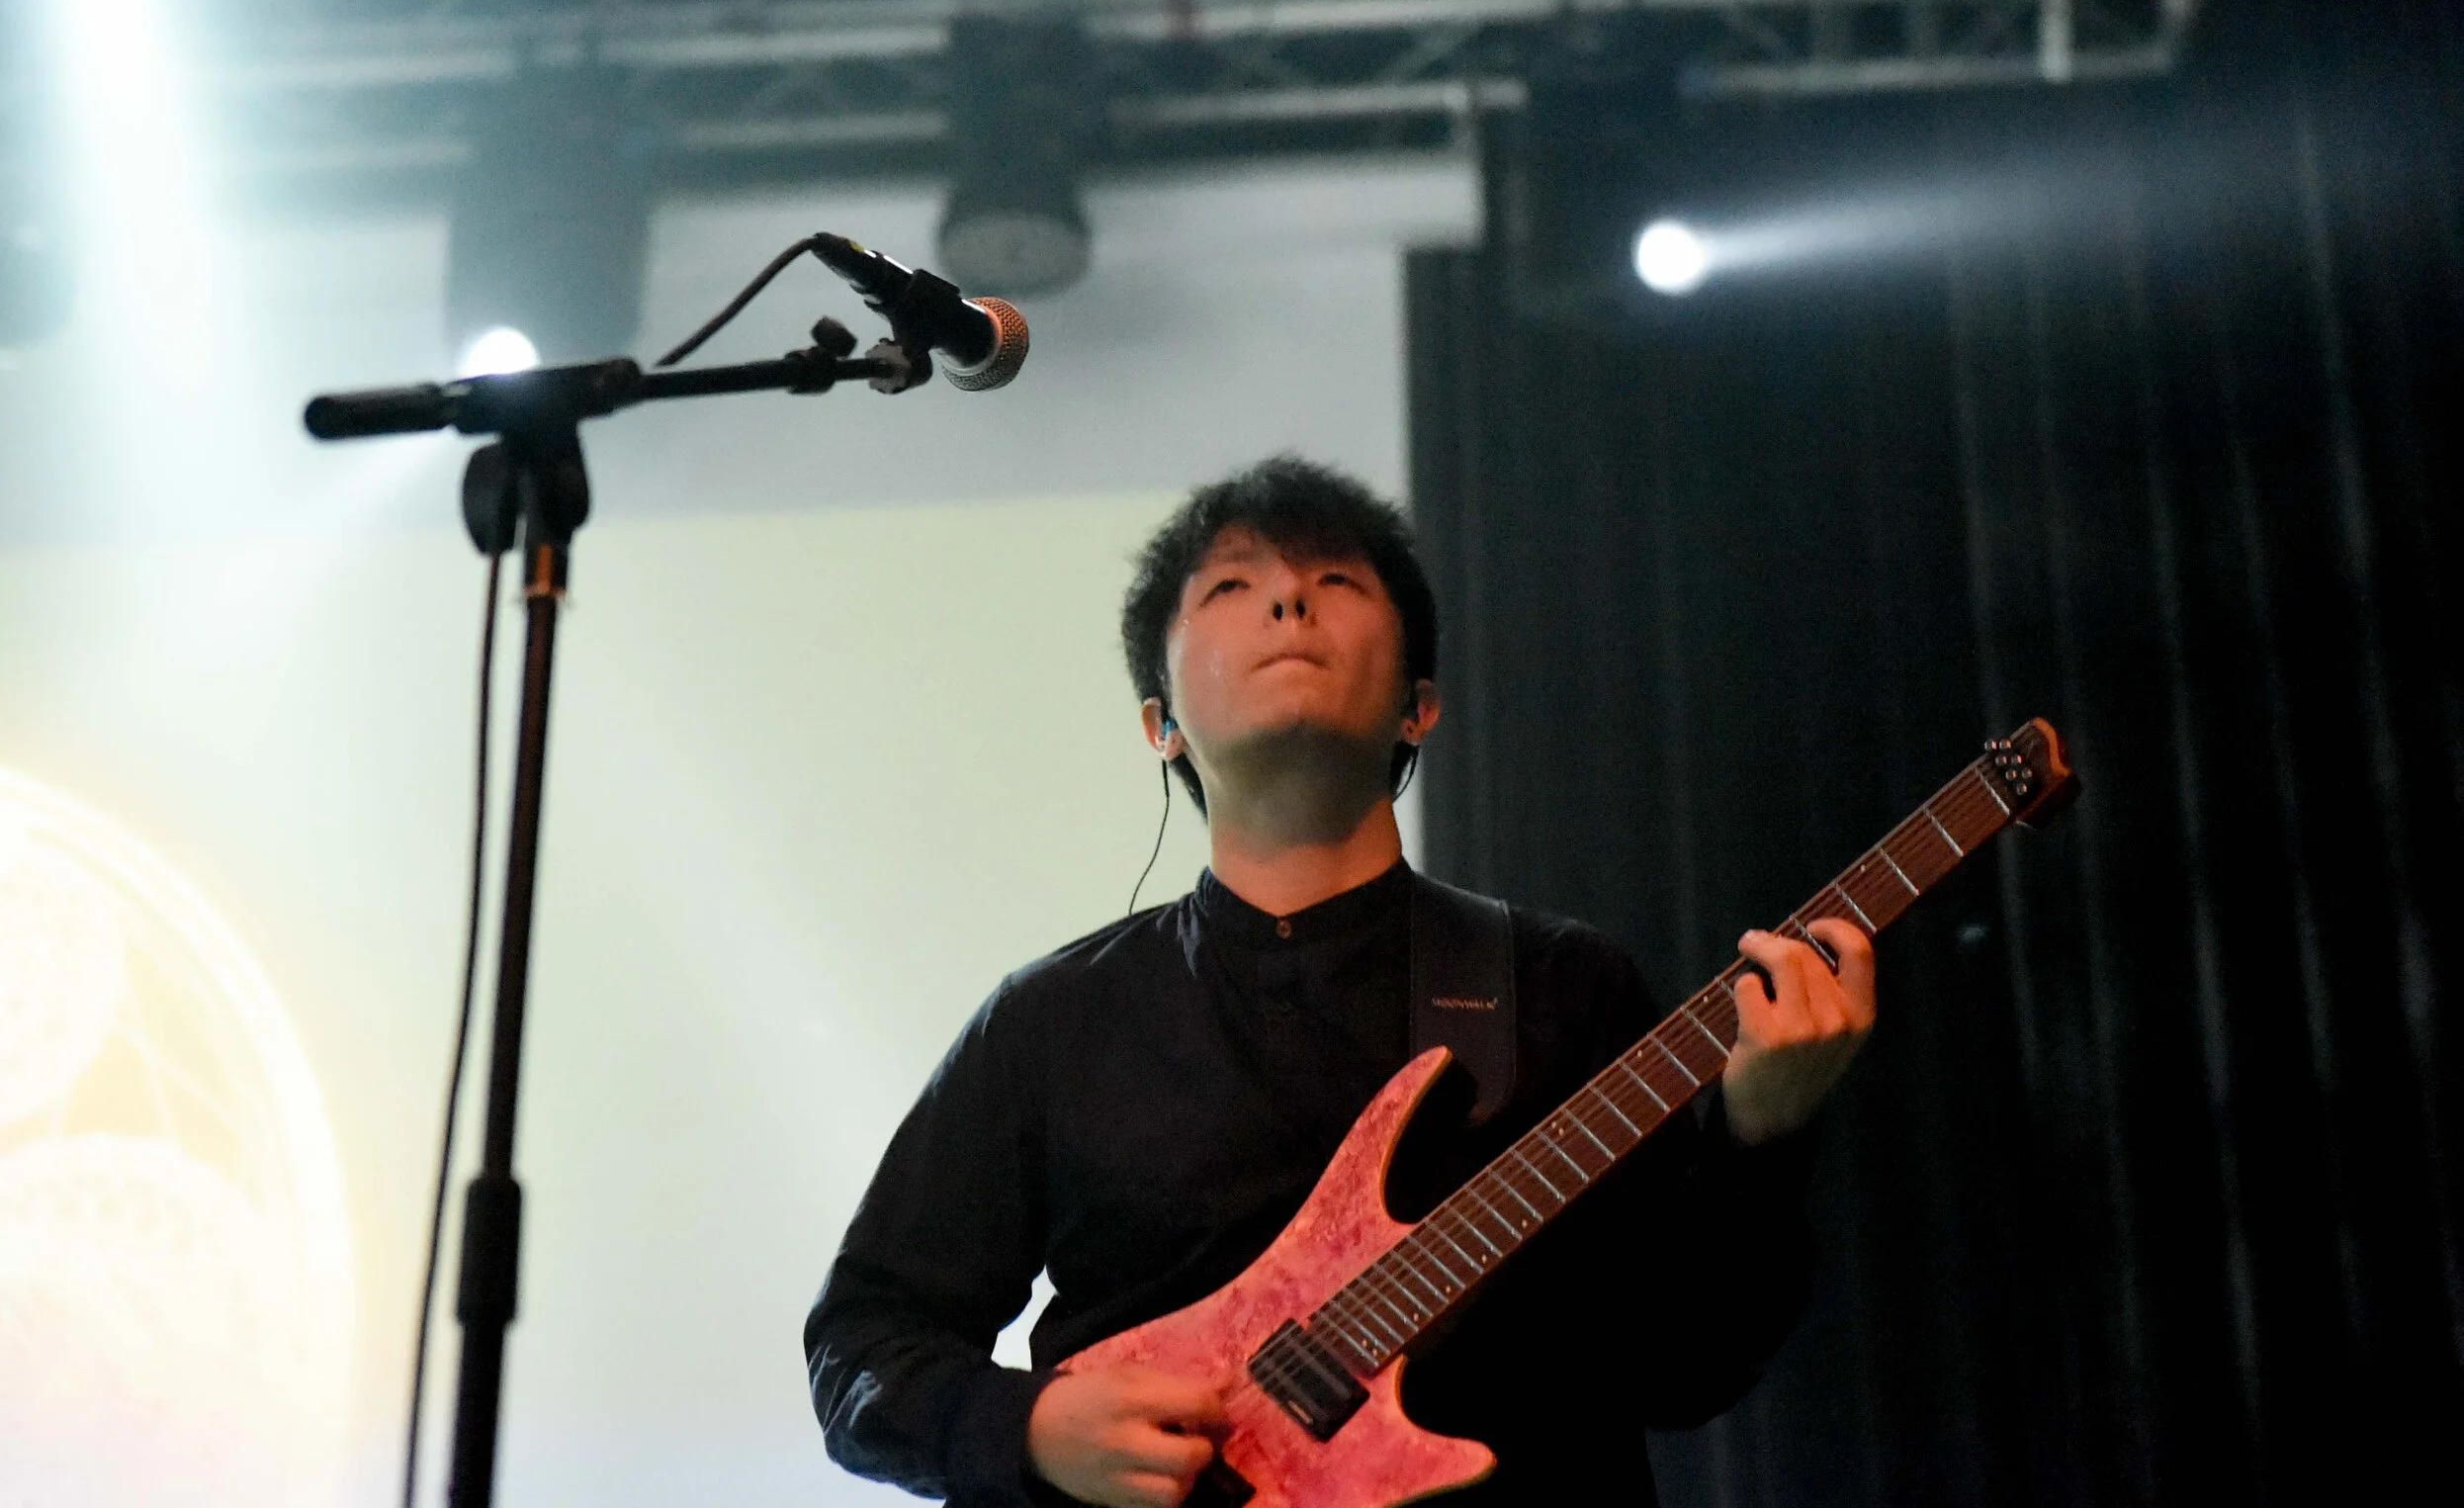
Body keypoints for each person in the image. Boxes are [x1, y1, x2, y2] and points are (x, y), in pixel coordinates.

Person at [804, 456, 1877, 1508]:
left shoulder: (1557, 985)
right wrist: (1030, 1427)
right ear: (1161, 724)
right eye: (1232, 587)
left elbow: (1685, 1370)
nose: (1288, 601)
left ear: (1419, 706)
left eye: (1334, 580)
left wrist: (1763, 1135)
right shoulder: (1052, 1021)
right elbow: (863, 1343)